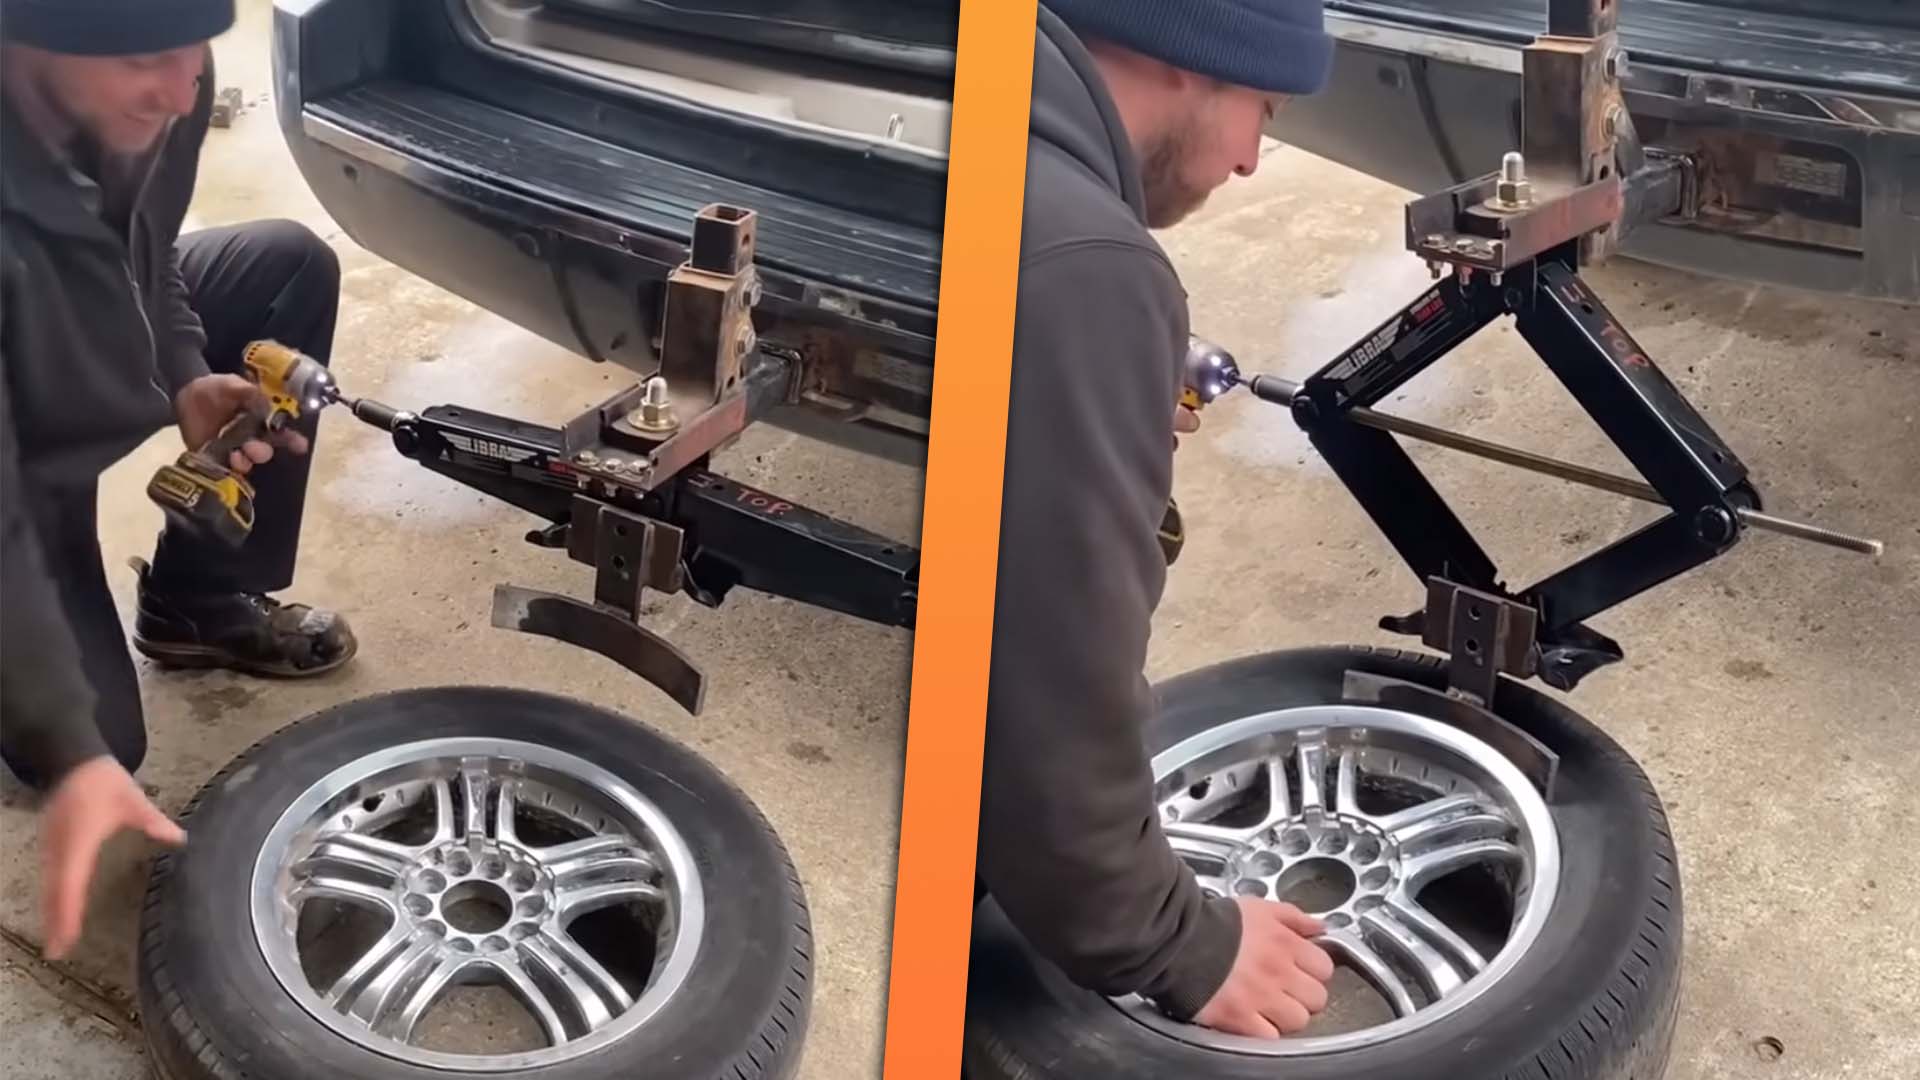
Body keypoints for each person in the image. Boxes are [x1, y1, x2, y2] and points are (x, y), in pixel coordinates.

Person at [977, 0, 1339, 1040]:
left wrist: (1088, 362)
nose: (1253, 161)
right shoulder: (1083, 264)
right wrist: (1173, 940)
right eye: (1265, 110)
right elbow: (1041, 677)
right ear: (1187, 54)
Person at [0, 0, 357, 961]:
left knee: (285, 264)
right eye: (143, 61)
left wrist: (191, 375)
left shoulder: (172, 87)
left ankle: (197, 604)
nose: (181, 88)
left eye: (192, 52)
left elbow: (148, 257)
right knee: (95, 744)